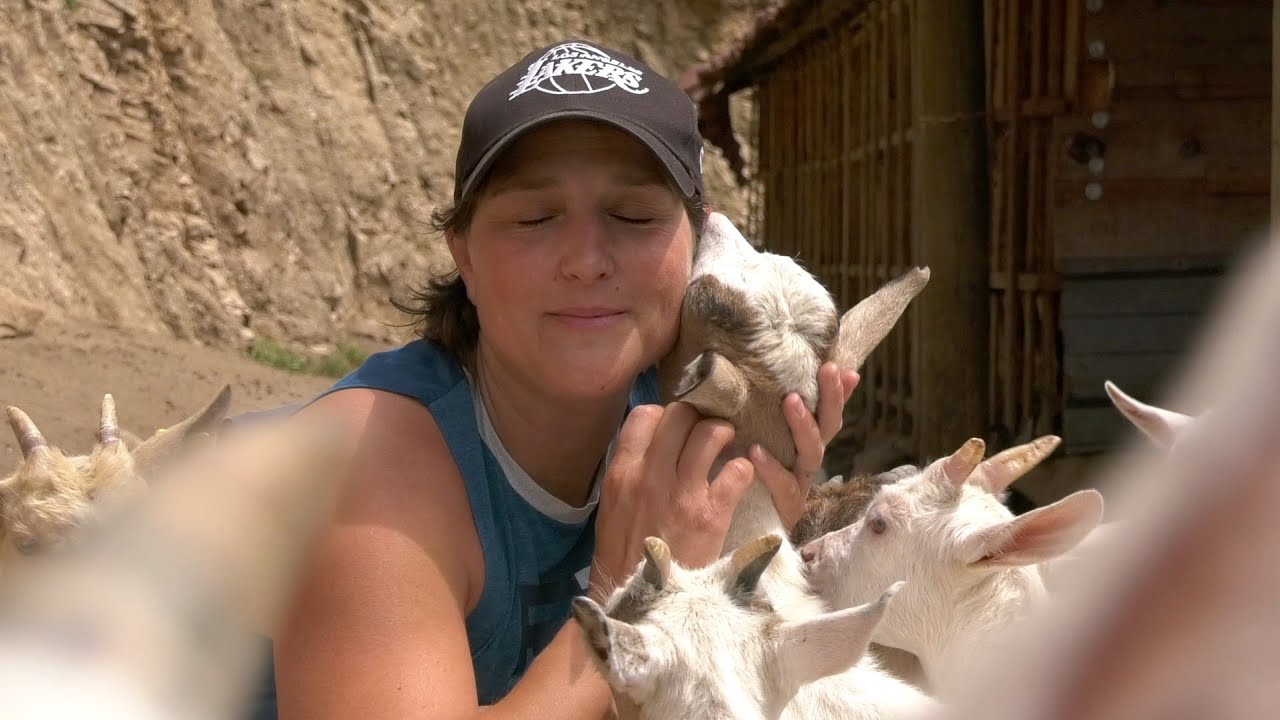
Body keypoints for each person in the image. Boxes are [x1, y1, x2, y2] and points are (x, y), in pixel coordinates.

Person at [269, 38, 859, 719]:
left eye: (633, 217)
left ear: (696, 243)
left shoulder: (683, 418)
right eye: (535, 218)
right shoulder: (361, 463)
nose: (585, 260)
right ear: (462, 251)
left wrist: (761, 505)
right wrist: (630, 595)